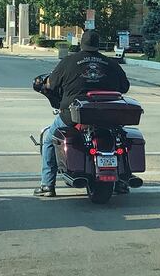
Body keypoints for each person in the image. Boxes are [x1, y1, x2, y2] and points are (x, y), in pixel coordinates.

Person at [35, 30, 130, 197]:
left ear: (81, 43)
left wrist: (44, 83)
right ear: (98, 45)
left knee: (50, 138)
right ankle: (122, 182)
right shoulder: (111, 63)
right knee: (120, 139)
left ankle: (47, 185)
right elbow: (125, 87)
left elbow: (51, 84)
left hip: (75, 113)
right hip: (108, 114)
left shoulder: (69, 61)